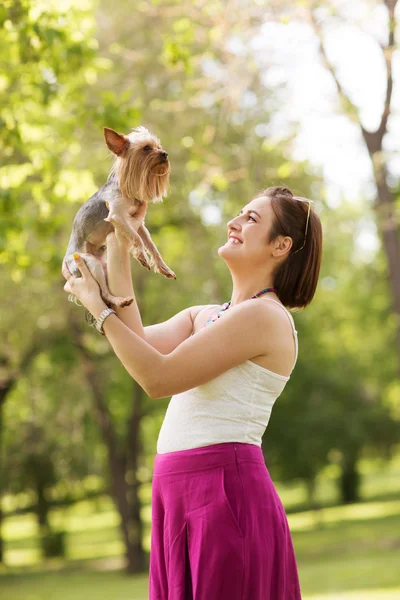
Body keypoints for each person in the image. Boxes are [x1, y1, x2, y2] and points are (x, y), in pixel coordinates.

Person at [63, 185, 323, 599]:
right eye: (239, 213)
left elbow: (157, 379)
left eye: (251, 219)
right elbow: (137, 345)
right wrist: (119, 235)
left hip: (223, 494)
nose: (233, 223)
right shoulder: (205, 315)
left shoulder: (264, 315)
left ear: (281, 245)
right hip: (177, 494)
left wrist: (99, 308)